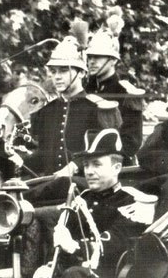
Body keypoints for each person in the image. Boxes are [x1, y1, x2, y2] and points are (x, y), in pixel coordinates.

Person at [15, 129, 156, 278]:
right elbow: (64, 241)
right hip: (76, 277)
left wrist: (75, 246)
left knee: (75, 275)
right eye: (87, 165)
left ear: (117, 168)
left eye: (97, 165)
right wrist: (51, 264)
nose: (89, 171)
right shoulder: (83, 199)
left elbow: (114, 244)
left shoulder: (132, 202)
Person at [28, 37, 124, 181]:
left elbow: (108, 152)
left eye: (63, 71)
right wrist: (17, 162)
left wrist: (74, 166)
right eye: (53, 72)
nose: (57, 77)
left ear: (81, 73)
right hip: (50, 185)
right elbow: (42, 155)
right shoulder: (46, 111)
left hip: (86, 184)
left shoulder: (98, 108)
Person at [83, 7, 144, 165]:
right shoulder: (85, 89)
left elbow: (131, 143)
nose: (92, 62)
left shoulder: (127, 93)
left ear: (113, 61)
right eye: (90, 57)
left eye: (98, 57)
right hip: (82, 162)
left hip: (116, 167)